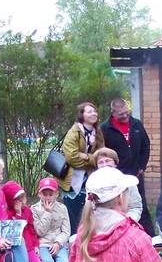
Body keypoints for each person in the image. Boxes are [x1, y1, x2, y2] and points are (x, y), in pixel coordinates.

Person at [99, 98, 155, 235]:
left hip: (136, 174)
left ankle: (150, 237)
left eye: (126, 112)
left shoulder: (136, 124)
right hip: (117, 176)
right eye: (121, 114)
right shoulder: (105, 129)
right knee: (119, 206)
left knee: (141, 205)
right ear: (113, 113)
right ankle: (120, 233)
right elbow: (103, 153)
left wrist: (142, 167)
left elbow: (146, 145)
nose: (125, 116)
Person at [2, 181, 52, 262]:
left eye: (21, 198)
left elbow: (31, 230)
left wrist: (35, 245)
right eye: (16, 199)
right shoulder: (7, 213)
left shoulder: (27, 211)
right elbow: (14, 230)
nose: (19, 201)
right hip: (16, 248)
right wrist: (17, 213)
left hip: (29, 246)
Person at [61, 102, 104, 232]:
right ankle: (74, 245)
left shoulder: (98, 132)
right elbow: (72, 158)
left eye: (95, 111)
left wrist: (86, 157)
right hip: (72, 181)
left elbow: (101, 156)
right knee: (73, 218)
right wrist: (92, 159)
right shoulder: (74, 132)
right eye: (89, 111)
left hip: (91, 179)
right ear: (82, 115)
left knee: (90, 214)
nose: (93, 114)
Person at [31, 178, 72, 262]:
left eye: (51, 194)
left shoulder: (62, 208)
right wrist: (47, 213)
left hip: (59, 244)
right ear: (39, 194)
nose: (48, 197)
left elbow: (66, 231)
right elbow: (39, 231)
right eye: (45, 194)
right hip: (43, 244)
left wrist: (58, 243)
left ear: (56, 194)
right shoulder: (34, 209)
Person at [94, 147, 144, 223]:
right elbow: (90, 208)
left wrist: (126, 222)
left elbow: (135, 207)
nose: (104, 165)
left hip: (125, 225)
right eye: (101, 162)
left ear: (115, 163)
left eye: (108, 161)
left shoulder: (127, 181)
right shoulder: (93, 184)